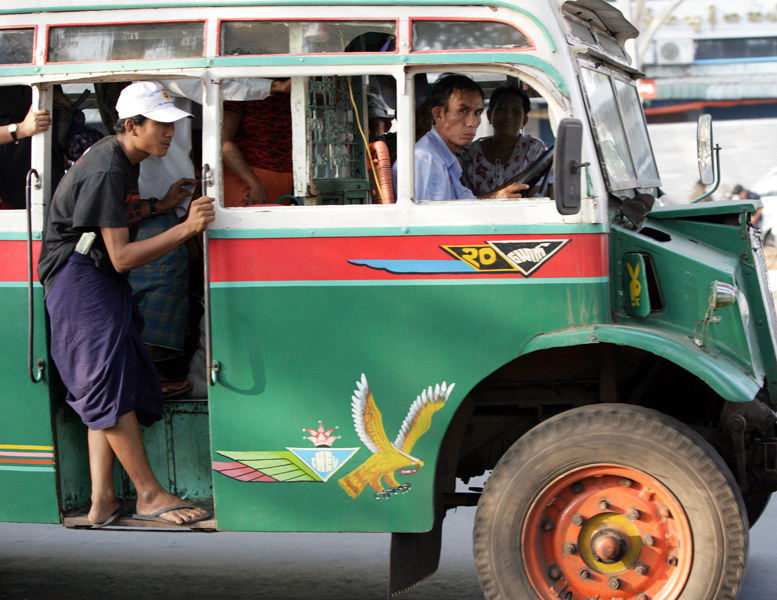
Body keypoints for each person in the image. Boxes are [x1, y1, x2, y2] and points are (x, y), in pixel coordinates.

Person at [37, 81, 214, 527]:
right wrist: (186, 227)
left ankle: (101, 501)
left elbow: (113, 218)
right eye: (161, 125)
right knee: (103, 386)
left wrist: (163, 204)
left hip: (92, 276)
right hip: (80, 279)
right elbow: (119, 258)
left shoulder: (122, 158)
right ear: (132, 125)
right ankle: (149, 494)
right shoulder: (108, 168)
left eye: (173, 125)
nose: (170, 134)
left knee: (106, 384)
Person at [392, 74, 527, 202]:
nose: (472, 123)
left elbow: (464, 205)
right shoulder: (426, 159)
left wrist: (497, 198)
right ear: (438, 115)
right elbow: (430, 222)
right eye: (463, 111)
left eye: (477, 113)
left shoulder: (445, 157)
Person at [460, 84, 548, 196]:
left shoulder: (534, 148)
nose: (508, 116)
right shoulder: (471, 153)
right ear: (489, 115)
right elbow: (465, 199)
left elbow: (536, 196)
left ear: (524, 121)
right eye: (502, 109)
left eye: (516, 111)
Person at [222, 78, 292, 206]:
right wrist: (254, 184)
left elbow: (335, 94)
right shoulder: (241, 88)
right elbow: (223, 141)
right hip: (246, 177)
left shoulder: (294, 90)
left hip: (285, 175)